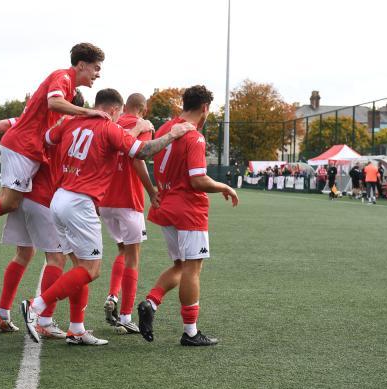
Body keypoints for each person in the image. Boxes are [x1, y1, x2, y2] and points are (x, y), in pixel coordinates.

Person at [20, 88, 195, 346]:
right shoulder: (107, 127)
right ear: (114, 110)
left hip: (58, 198)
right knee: (91, 269)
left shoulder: (72, 121)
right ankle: (36, 306)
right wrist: (172, 134)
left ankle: (76, 329)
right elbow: (143, 151)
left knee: (80, 266)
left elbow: (47, 138)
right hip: (80, 202)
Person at [0, 43, 110, 261]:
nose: (98, 74)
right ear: (81, 65)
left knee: (23, 243)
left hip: (25, 150)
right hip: (21, 147)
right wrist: (88, 112)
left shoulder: (65, 91)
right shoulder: (63, 77)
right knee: (8, 203)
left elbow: (5, 123)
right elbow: (54, 102)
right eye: (96, 68)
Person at [136, 85, 239, 347]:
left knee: (181, 265)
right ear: (205, 108)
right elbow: (197, 180)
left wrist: (154, 190)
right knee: (193, 268)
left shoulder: (165, 130)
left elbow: (144, 157)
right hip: (189, 209)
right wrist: (224, 186)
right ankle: (191, 332)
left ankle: (151, 302)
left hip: (166, 204)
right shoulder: (194, 137)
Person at [0, 90, 86, 338]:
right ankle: (44, 319)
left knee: (24, 253)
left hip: (22, 194)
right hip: (43, 198)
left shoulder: (36, 124)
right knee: (57, 259)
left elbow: (3, 125)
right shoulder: (69, 130)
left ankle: (2, 312)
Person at [99, 93, 157, 334]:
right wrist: (152, 191)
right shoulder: (142, 125)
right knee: (133, 256)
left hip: (105, 200)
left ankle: (113, 294)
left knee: (122, 249)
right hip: (128, 199)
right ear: (142, 110)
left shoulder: (110, 124)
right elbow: (137, 158)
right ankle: (125, 316)